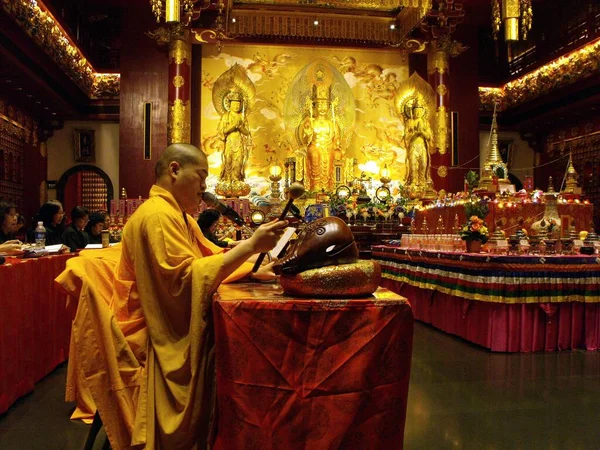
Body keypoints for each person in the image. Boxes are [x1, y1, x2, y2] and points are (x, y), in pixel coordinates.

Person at [68, 143, 287, 449]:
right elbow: (182, 281)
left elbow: (208, 257)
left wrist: (254, 265)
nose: (204, 186)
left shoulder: (177, 215)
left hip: (165, 314)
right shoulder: (158, 216)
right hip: (154, 331)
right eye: (201, 176)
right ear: (174, 170)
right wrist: (250, 248)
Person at [299, 84, 342, 192]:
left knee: (334, 155)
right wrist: (308, 134)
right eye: (320, 105)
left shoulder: (332, 122)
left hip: (328, 147)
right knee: (314, 155)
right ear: (314, 106)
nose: (322, 108)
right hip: (314, 145)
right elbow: (305, 141)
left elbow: (337, 137)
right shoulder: (311, 121)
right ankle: (315, 185)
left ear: (329, 107)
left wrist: (336, 143)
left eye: (325, 105)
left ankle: (330, 187)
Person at [218, 89, 251, 183]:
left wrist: (240, 127)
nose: (236, 106)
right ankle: (228, 180)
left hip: (239, 142)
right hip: (229, 142)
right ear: (229, 105)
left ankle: (236, 179)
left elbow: (247, 133)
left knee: (238, 162)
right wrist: (231, 128)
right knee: (228, 161)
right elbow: (221, 131)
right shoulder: (226, 116)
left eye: (238, 104)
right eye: (234, 104)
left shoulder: (242, 116)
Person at [403, 96, 433, 190]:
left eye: (420, 111)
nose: (418, 113)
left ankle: (422, 182)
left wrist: (422, 132)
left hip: (422, 147)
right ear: (412, 111)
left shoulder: (425, 123)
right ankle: (413, 182)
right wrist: (414, 134)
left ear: (423, 111)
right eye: (416, 111)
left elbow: (428, 137)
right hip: (413, 146)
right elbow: (406, 137)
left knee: (423, 164)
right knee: (413, 165)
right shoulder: (410, 122)